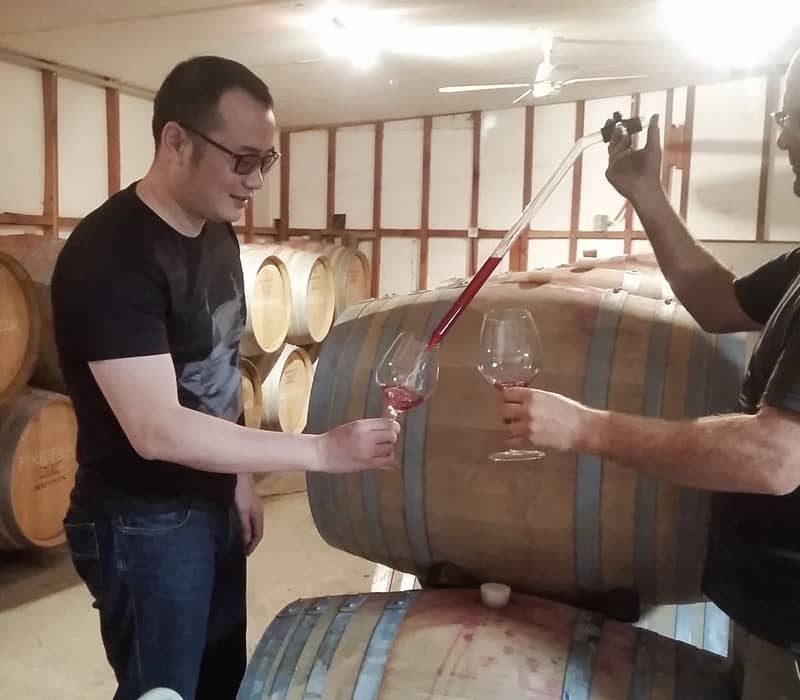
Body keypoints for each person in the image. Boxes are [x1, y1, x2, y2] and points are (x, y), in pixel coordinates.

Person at [51, 56, 399, 700]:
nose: (255, 182)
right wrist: (319, 450)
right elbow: (156, 429)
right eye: (242, 159)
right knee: (164, 691)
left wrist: (239, 478)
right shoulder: (112, 256)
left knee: (219, 682)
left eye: (265, 162)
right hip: (141, 519)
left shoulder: (214, 236)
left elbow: (219, 373)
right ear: (175, 140)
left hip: (205, 504)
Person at [500, 49, 800, 699]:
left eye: (793, 117)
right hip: (771, 606)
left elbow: (774, 457)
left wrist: (588, 429)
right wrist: (647, 194)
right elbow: (718, 302)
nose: (781, 136)